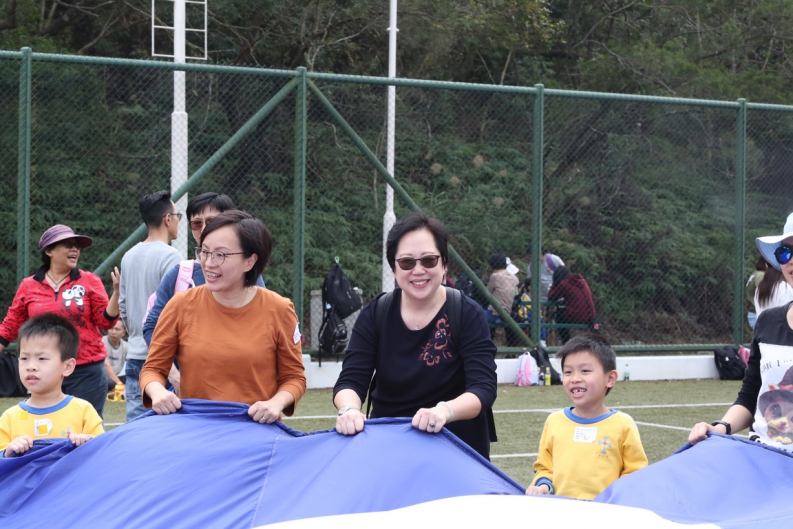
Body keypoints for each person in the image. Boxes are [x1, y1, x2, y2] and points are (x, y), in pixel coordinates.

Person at [333, 212, 498, 460]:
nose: (418, 270)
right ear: (394, 268)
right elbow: (350, 380)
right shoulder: (376, 312)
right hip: (388, 449)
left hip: (456, 450)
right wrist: (349, 409)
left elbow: (483, 388)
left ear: (444, 264)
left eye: (429, 260)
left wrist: (444, 411)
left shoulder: (466, 313)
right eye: (407, 262)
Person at [140, 210, 306, 424]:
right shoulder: (180, 305)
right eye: (204, 252)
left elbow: (294, 377)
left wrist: (275, 403)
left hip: (257, 432)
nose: (208, 263)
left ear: (249, 261)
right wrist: (157, 391)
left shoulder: (280, 309)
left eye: (221, 255)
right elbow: (152, 369)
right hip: (197, 430)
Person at [141, 193, 266, 394]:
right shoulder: (180, 276)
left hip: (237, 390)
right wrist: (173, 375)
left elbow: (263, 327)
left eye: (211, 221)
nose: (205, 228)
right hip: (185, 393)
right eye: (197, 223)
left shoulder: (249, 276)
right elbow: (151, 325)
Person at [689, 212, 793, 452]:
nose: (790, 261)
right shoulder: (767, 321)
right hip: (762, 455)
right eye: (785, 252)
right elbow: (750, 395)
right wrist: (720, 428)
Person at [0, 224, 120, 418]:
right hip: (45, 371)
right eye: (68, 244)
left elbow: (106, 323)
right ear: (49, 251)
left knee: (85, 429)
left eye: (77, 246)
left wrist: (116, 294)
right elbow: (9, 327)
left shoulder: (90, 281)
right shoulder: (29, 286)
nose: (75, 249)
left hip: (86, 371)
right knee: (47, 426)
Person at [525, 334, 647, 499]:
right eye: (568, 372)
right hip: (561, 510)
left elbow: (635, 473)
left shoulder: (623, 425)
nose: (575, 379)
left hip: (605, 510)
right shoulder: (554, 421)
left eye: (585, 371)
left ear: (610, 378)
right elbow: (544, 468)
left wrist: (615, 497)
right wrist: (542, 486)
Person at [1, 314, 104, 457]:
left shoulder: (83, 411)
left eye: (42, 358)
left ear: (67, 367)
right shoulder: (10, 417)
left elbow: (103, 453)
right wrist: (7, 453)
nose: (30, 366)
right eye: (24, 358)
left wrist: (88, 444)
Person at [120, 190, 182, 421]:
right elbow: (176, 309)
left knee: (137, 428)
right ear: (168, 219)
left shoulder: (128, 255)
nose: (178, 221)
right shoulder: (172, 257)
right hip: (163, 359)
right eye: (178, 216)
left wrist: (137, 334)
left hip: (135, 355)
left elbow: (123, 307)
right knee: (169, 428)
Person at [548, 265, 597, 344]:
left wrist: (554, 284)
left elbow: (551, 296)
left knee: (559, 312)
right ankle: (566, 340)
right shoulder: (581, 281)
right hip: (590, 316)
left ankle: (565, 341)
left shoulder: (564, 284)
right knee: (563, 309)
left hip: (577, 316)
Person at [484, 253, 520, 345]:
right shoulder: (515, 278)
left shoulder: (495, 276)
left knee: (474, 316)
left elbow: (487, 292)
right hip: (507, 312)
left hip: (494, 312)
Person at [103, 320, 127, 392]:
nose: (113, 332)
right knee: (109, 383)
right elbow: (106, 366)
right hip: (104, 376)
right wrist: (120, 384)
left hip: (119, 376)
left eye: (117, 329)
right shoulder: (101, 342)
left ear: (123, 333)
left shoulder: (126, 346)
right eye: (111, 328)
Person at [746, 256, 767, 330]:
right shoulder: (761, 275)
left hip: (754, 313)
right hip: (758, 314)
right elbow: (763, 292)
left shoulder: (755, 273)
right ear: (766, 264)